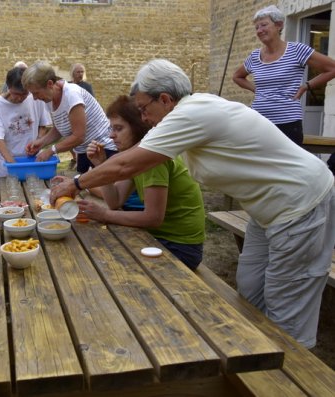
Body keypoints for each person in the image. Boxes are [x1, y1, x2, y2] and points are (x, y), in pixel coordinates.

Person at [50, 59, 335, 349]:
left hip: (302, 204)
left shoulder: (191, 113)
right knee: (250, 289)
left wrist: (75, 184)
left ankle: (290, 373)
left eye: (144, 109)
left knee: (287, 310)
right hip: (268, 212)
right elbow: (128, 162)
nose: (144, 117)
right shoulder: (187, 115)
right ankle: (260, 356)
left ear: (164, 99)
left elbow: (126, 165)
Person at [77, 95, 205, 270]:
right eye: (111, 128)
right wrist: (101, 164)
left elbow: (153, 218)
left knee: (106, 264)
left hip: (180, 246)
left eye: (119, 128)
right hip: (162, 238)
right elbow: (116, 201)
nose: (111, 135)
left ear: (137, 128)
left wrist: (104, 214)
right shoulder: (139, 155)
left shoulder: (153, 159)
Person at [232, 5, 335, 146]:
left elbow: (332, 68)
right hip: (259, 122)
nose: (259, 30)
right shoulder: (255, 56)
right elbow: (237, 76)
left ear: (279, 25)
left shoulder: (297, 50)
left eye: (263, 25)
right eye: (256, 28)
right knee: (261, 166)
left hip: (288, 123)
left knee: (288, 167)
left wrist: (306, 86)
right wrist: (256, 89)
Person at [22, 61, 117, 173]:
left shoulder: (71, 95)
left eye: (36, 93)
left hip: (103, 150)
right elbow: (59, 127)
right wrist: (41, 142)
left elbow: (78, 136)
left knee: (95, 187)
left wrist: (51, 150)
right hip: (84, 151)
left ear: (49, 84)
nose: (34, 98)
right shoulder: (49, 98)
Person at [0, 67, 51, 179]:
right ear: (9, 87)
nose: (20, 98)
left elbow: (43, 125)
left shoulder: (35, 98)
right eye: (16, 94)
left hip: (32, 160)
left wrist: (37, 142)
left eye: (24, 94)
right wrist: (12, 163)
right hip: (7, 164)